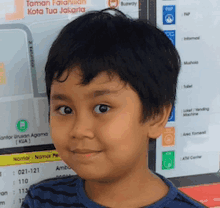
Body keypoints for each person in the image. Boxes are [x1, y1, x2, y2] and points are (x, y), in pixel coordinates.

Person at [21, 8, 208, 208]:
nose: (79, 130)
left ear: (156, 116)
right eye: (65, 109)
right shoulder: (41, 200)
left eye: (102, 108)